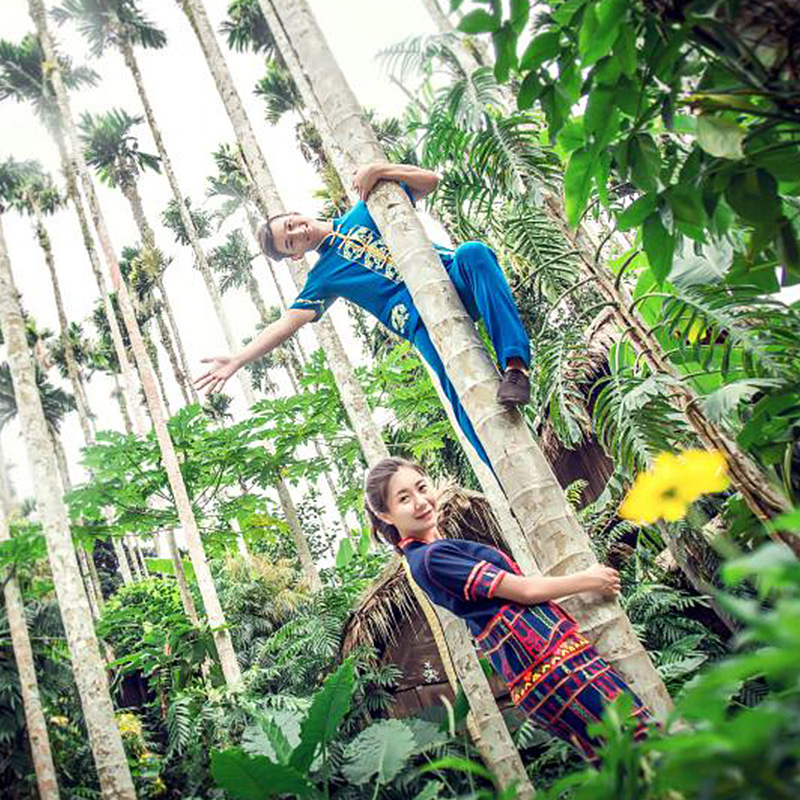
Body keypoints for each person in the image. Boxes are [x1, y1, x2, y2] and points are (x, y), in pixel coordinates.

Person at [194, 161, 532, 466]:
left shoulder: (367, 207)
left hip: (452, 280)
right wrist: (238, 359)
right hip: (422, 324)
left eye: (292, 224)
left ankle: (516, 366)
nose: (298, 232)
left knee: (474, 253)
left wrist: (382, 170)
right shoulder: (323, 277)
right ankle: (504, 472)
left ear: (294, 212)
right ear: (295, 256)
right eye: (290, 242)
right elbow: (288, 323)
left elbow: (431, 181)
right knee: (460, 393)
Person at [364, 456, 653, 765]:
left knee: (625, 758)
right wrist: (588, 579)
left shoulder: (431, 553)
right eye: (404, 499)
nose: (420, 502)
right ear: (386, 514)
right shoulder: (431, 559)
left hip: (548, 664)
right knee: (640, 747)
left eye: (422, 488)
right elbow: (523, 591)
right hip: (552, 666)